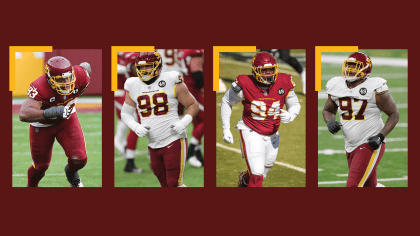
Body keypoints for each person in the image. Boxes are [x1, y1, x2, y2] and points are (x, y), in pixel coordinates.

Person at [220, 51, 301, 187]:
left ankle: (243, 181)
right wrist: (226, 129)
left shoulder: (284, 81)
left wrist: (292, 114)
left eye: (271, 70)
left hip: (273, 133)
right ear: (255, 71)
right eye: (264, 70)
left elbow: (294, 104)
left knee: (261, 173)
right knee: (257, 175)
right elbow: (226, 101)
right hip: (250, 130)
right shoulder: (244, 83)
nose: (268, 73)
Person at [121, 52, 199, 187]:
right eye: (141, 67)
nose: (144, 70)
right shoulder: (133, 84)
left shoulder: (171, 79)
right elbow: (126, 114)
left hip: (173, 139)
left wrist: (183, 122)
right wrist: (135, 126)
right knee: (165, 184)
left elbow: (193, 105)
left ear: (158, 66)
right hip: (152, 144)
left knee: (174, 183)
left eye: (148, 66)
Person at [322, 52, 399, 187]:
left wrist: (380, 137)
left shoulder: (375, 88)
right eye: (349, 66)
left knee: (353, 186)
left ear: (365, 69)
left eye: (355, 66)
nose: (350, 70)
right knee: (368, 186)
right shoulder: (336, 85)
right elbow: (328, 110)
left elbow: (394, 114)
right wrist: (330, 122)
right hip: (350, 145)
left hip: (370, 143)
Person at [18, 56, 91, 187]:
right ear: (49, 78)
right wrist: (53, 112)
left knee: (79, 159)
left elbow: (86, 66)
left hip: (67, 120)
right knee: (40, 167)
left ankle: (71, 172)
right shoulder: (40, 87)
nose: (65, 82)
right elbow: (23, 114)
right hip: (42, 125)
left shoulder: (81, 76)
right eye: (60, 79)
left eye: (68, 78)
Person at [178, 49, 204, 167]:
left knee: (198, 121)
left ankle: (197, 153)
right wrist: (203, 88)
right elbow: (197, 72)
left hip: (186, 88)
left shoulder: (182, 50)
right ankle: (191, 150)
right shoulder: (194, 51)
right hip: (193, 91)